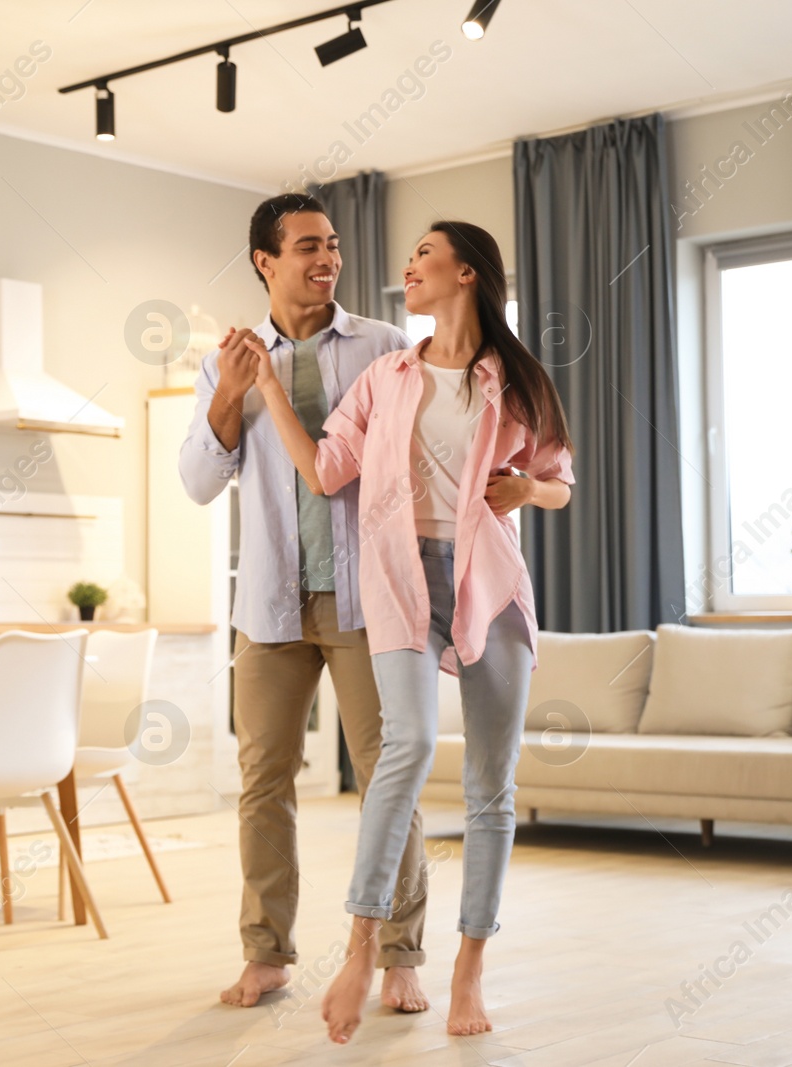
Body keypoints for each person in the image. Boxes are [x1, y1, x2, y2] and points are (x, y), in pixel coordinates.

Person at [252, 220, 575, 1042]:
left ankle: (469, 969)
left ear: (466, 274)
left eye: (423, 257)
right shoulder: (390, 376)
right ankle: (360, 949)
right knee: (406, 751)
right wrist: (269, 392)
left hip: (489, 585)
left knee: (490, 789)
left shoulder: (520, 378)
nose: (409, 269)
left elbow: (559, 483)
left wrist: (523, 492)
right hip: (398, 581)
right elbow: (327, 470)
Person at [178, 193, 433, 1013]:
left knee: (388, 776)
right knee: (264, 781)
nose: (325, 260)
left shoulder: (385, 347)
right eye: (306, 248)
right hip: (272, 604)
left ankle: (401, 955)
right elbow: (196, 482)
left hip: (368, 603)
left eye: (332, 246)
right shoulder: (225, 364)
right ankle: (266, 955)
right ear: (265, 260)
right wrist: (234, 390)